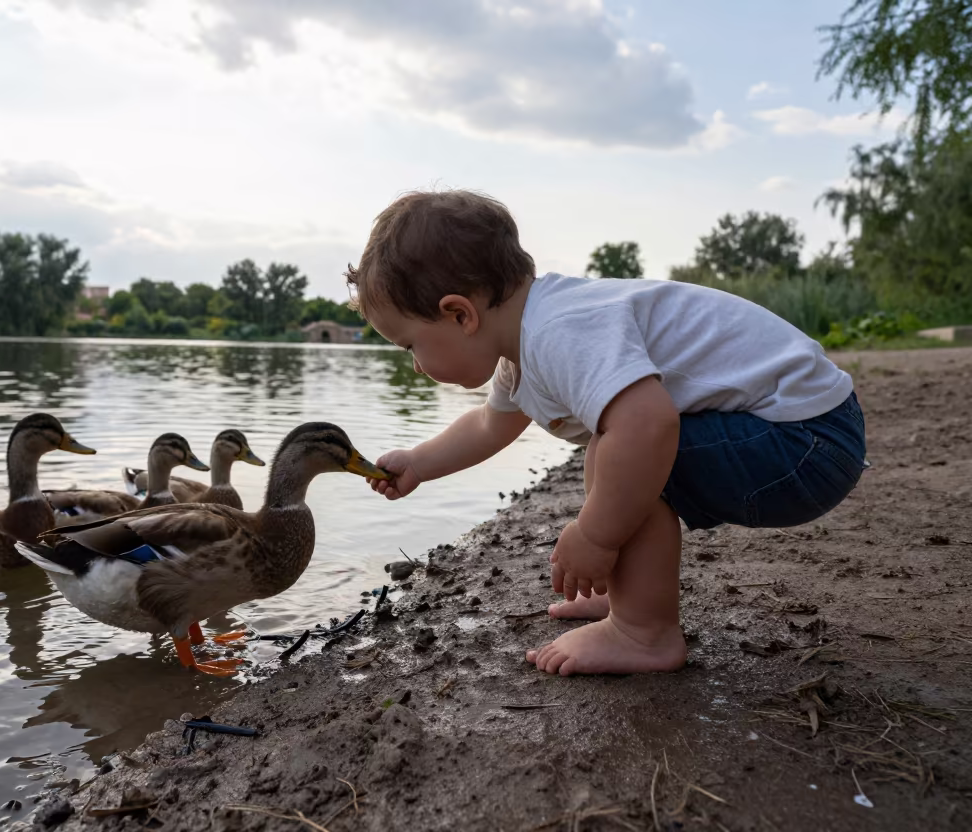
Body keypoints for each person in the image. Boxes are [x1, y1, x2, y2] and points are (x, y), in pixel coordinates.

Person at [350, 189, 866, 676]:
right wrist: (418, 462)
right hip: (799, 433)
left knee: (617, 447)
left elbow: (647, 424)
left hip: (805, 442)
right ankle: (630, 591)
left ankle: (644, 631)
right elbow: (490, 426)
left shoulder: (560, 331)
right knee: (610, 448)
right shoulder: (524, 348)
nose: (416, 365)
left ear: (459, 313)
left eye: (409, 346)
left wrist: (596, 536)